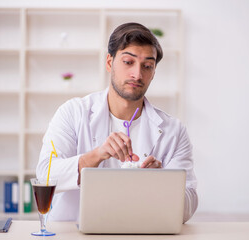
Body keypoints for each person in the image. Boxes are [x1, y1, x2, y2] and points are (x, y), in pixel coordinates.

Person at [36, 22, 198, 223]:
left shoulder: (174, 131)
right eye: (128, 62)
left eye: (147, 66)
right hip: (72, 232)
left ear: (154, 72)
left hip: (141, 232)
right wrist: (95, 156)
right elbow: (45, 175)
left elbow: (189, 204)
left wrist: (160, 183)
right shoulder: (73, 112)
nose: (137, 74)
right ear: (109, 62)